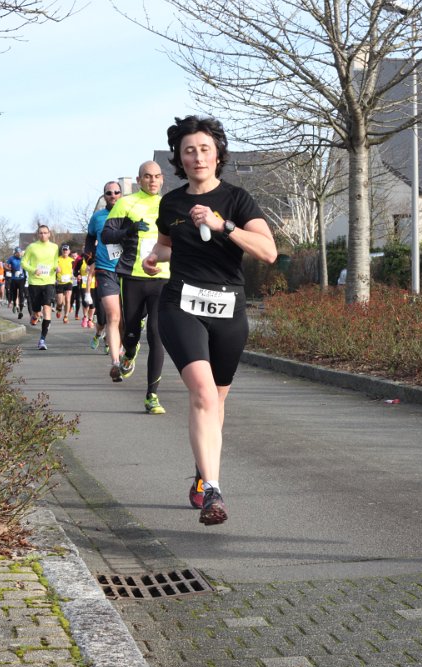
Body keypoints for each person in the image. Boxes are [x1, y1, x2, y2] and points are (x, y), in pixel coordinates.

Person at [143, 115, 277, 525]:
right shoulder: (171, 203)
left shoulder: (237, 199)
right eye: (189, 151)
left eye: (204, 149)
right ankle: (214, 493)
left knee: (216, 401)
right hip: (181, 304)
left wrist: (224, 225)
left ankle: (204, 473)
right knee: (202, 392)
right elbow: (168, 245)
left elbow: (268, 252)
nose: (197, 157)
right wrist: (154, 257)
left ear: (218, 155)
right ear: (179, 159)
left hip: (228, 309)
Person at [102, 161, 169, 413]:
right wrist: (129, 229)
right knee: (130, 331)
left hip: (163, 277)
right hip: (132, 276)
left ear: (162, 179)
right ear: (139, 180)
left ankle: (152, 395)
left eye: (157, 176)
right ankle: (129, 352)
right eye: (147, 177)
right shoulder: (125, 203)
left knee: (156, 333)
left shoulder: (169, 204)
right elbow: (106, 236)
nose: (153, 181)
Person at [83, 181, 123, 359]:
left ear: (121, 194)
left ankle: (122, 344)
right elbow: (90, 237)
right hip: (105, 268)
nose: (113, 195)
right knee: (111, 315)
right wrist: (89, 256)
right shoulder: (98, 217)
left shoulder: (129, 213)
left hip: (127, 269)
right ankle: (116, 356)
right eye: (109, 193)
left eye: (116, 192)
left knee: (125, 315)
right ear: (104, 196)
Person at [21, 225, 59, 350]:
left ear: (49, 234)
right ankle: (34, 316)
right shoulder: (32, 247)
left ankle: (42, 339)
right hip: (35, 282)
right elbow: (23, 262)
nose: (43, 235)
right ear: (38, 234)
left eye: (45, 232)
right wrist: (33, 270)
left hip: (49, 282)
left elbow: (55, 262)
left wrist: (56, 267)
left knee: (47, 309)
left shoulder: (54, 247)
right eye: (41, 233)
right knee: (37, 311)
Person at [5, 247, 26, 319]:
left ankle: (20, 311)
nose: (19, 254)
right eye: (18, 253)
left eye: (20, 253)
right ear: (15, 253)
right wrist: (10, 269)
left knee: (21, 294)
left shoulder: (23, 258)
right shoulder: (11, 258)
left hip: (21, 279)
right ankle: (14, 303)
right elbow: (5, 265)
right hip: (14, 279)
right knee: (14, 294)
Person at [55, 244, 74, 323]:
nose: (65, 251)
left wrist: (75, 274)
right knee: (60, 301)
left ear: (69, 251)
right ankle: (59, 308)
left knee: (67, 299)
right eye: (64, 250)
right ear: (62, 251)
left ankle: (66, 316)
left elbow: (75, 270)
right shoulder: (57, 260)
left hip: (69, 282)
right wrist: (55, 268)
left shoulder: (72, 260)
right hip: (60, 282)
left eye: (66, 250)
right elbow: (52, 268)